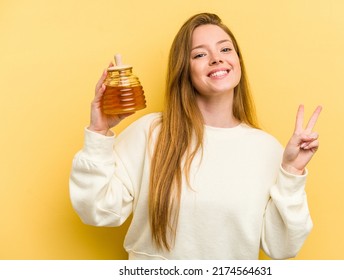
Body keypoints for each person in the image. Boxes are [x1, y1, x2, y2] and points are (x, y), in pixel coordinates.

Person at [69, 12, 322, 260]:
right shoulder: (151, 133)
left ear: (238, 61)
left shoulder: (267, 149)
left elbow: (282, 247)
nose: (216, 59)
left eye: (225, 50)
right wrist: (99, 133)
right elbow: (97, 210)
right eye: (200, 54)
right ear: (184, 70)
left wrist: (291, 172)